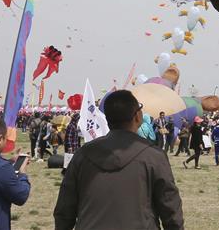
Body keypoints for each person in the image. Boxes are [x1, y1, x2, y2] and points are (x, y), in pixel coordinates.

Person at [53, 89, 184, 230]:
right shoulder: (153, 156)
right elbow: (170, 208)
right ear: (137, 116)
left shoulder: (83, 154)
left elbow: (65, 209)